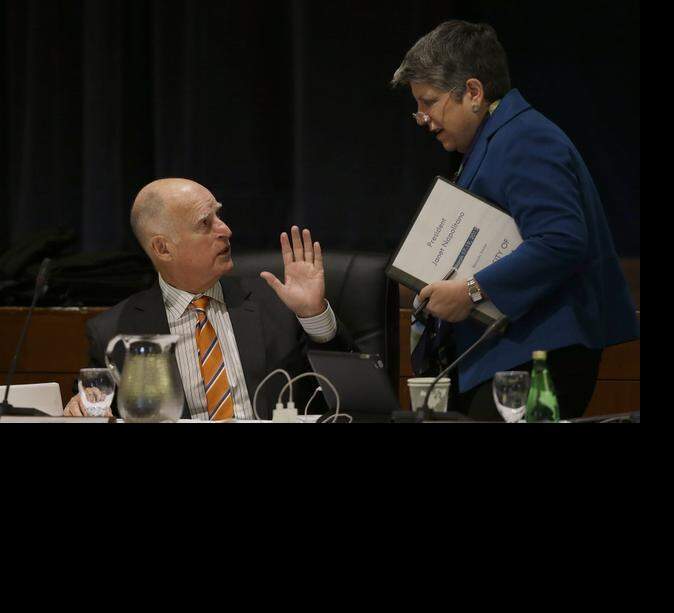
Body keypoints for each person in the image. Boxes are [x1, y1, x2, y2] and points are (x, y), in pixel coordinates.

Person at [392, 20, 639, 420]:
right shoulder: (495, 139)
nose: (422, 118)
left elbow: (561, 240)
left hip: (535, 358)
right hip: (503, 355)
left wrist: (470, 291)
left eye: (430, 101)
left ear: (472, 92)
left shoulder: (524, 137)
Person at [64, 178, 356, 419]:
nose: (225, 230)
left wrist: (313, 314)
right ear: (163, 248)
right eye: (205, 223)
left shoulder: (277, 302)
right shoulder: (114, 332)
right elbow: (94, 406)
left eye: (218, 215)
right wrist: (84, 409)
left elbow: (352, 393)